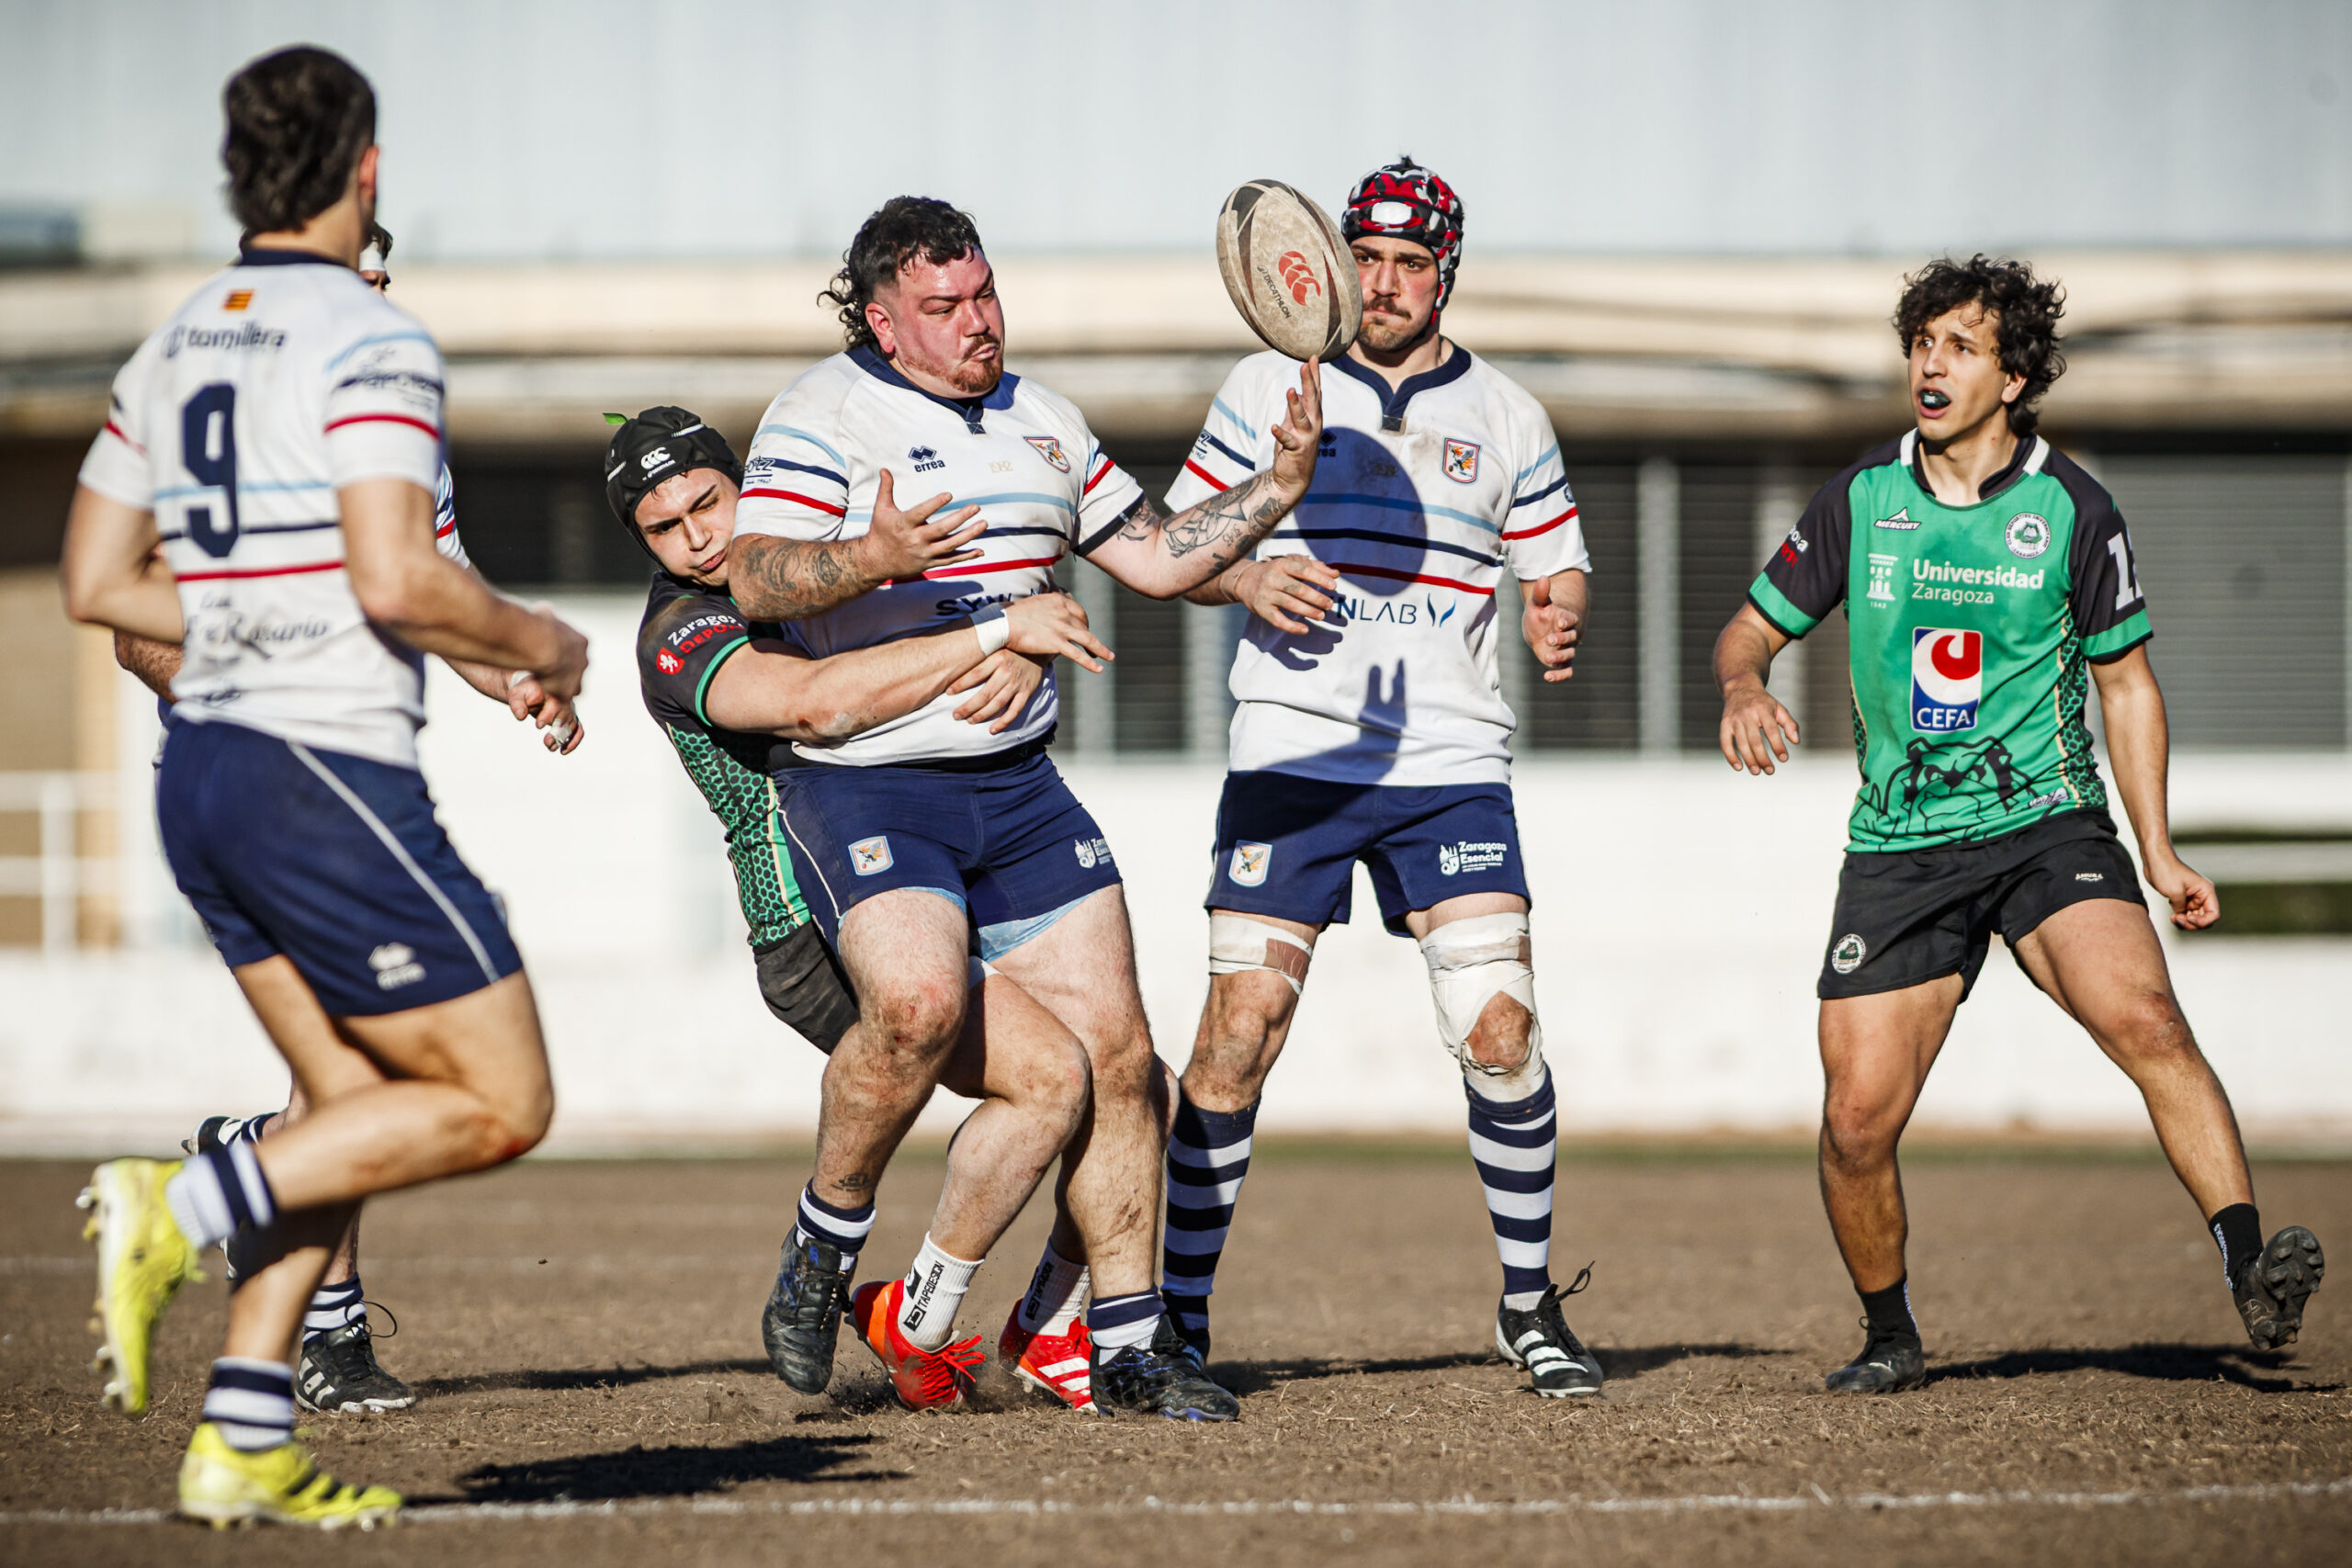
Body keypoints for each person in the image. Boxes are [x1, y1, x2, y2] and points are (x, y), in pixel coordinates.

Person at [62, 47, 590, 1525]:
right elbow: (398, 576)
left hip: (205, 776)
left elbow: (94, 581)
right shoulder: (371, 334)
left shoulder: (172, 342)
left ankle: (241, 1430)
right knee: (503, 1097)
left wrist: (256, 619)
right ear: (366, 169)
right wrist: (540, 640)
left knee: (346, 1102)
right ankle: (185, 1199)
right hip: (319, 770)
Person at [725, 195, 1325, 1422]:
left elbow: (1155, 555)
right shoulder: (820, 415)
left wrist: (1277, 486)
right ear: (883, 321)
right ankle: (825, 1237)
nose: (977, 321)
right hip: (869, 781)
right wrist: (869, 559)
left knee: (1121, 1059)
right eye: (943, 306)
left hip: (1019, 790)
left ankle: (1122, 1344)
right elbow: (754, 576)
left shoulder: (1044, 419)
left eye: (985, 293)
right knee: (918, 1008)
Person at [1712, 254, 2325, 1394]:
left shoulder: (2073, 509)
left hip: (2047, 822)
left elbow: (2126, 688)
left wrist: (2157, 849)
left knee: (2147, 1020)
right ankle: (1889, 1335)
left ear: (2013, 378)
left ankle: (2249, 1265)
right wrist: (1744, 686)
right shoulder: (1860, 501)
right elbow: (1747, 628)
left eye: (1959, 346)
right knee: (1854, 1123)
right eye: (1920, 344)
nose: (1930, 365)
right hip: (1900, 843)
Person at [1155, 157, 1600, 1398]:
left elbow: (1557, 561)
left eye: (1412, 263)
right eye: (1369, 258)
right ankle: (1180, 1320)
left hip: (1449, 764)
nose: (1387, 282)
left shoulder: (1508, 412)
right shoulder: (1265, 385)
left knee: (1500, 1029)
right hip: (1290, 753)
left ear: (1446, 274)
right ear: (1336, 263)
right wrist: (1245, 574)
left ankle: (1529, 1305)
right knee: (1238, 1033)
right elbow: (1171, 548)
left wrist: (1557, 609)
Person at [607, 404, 1113, 1411]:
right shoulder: (680, 630)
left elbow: (989, 584)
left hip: (929, 855)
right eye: (664, 527)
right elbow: (820, 702)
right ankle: (822, 1245)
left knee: (1110, 1082)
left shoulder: (814, 559)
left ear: (747, 484)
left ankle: (953, 1321)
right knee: (1009, 1057)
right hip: (809, 921)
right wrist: (995, 635)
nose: (698, 537)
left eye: (709, 502)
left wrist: (1024, 641)